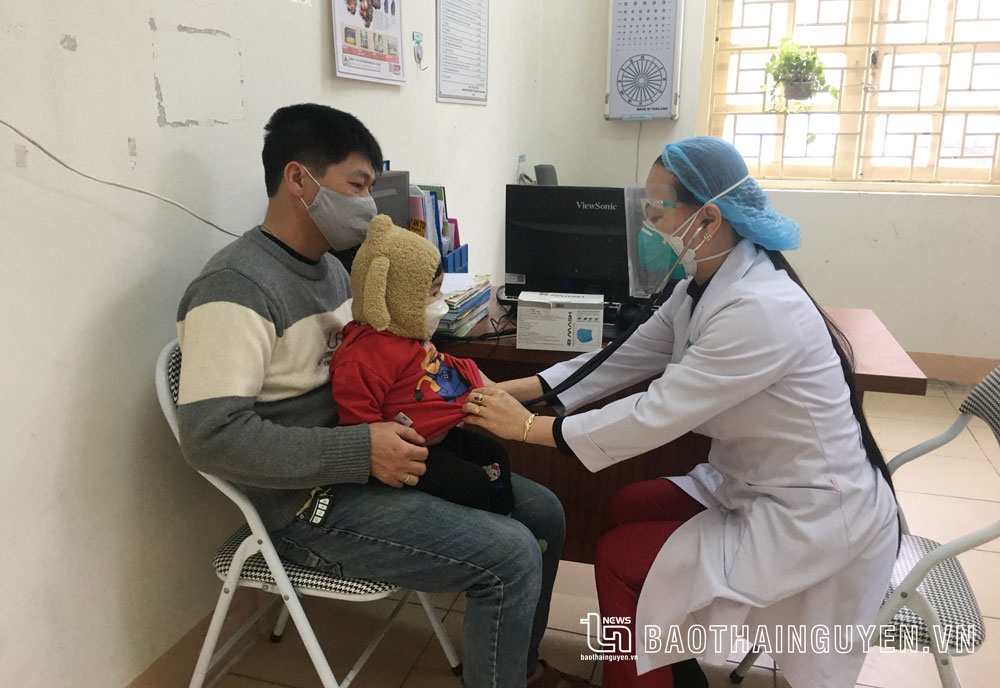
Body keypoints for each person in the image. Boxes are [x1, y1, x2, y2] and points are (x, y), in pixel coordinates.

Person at [175, 103, 589, 688]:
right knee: (511, 555)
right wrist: (361, 450)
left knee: (543, 511)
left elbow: (376, 367)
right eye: (358, 185)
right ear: (299, 180)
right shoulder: (235, 288)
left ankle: (516, 670)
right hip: (304, 505)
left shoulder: (332, 271)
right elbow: (210, 439)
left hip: (369, 463)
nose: (369, 205)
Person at [461, 136, 900, 688]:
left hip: (809, 512)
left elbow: (655, 414)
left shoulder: (760, 308)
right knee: (627, 504)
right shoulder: (701, 286)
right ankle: (672, 669)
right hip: (754, 482)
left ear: (708, 218)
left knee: (619, 558)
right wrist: (513, 389)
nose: (646, 227)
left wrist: (529, 428)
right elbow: (622, 358)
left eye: (655, 212)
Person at [331, 216, 514, 514]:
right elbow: (362, 427)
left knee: (494, 455)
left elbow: (438, 364)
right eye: (433, 293)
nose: (441, 300)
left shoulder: (408, 335)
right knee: (472, 484)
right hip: (409, 449)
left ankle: (505, 517)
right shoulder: (362, 357)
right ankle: (493, 530)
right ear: (396, 298)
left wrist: (477, 379)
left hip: (439, 433)